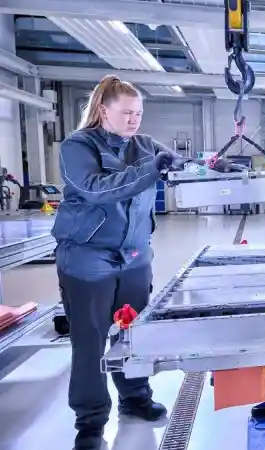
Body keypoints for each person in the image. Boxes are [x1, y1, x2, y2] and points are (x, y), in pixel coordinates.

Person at [52, 75, 178, 450]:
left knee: (132, 333)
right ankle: (90, 422)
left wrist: (217, 168)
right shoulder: (78, 146)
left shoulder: (144, 145)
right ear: (104, 111)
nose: (134, 120)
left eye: (138, 113)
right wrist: (152, 169)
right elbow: (95, 189)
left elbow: (178, 167)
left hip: (135, 256)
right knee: (90, 340)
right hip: (88, 257)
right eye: (126, 113)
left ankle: (135, 398)